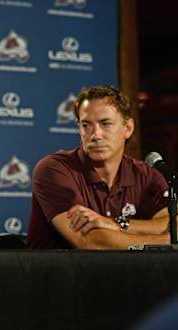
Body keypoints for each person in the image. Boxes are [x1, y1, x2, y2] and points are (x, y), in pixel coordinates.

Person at [27, 85, 170, 249]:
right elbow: (91, 241)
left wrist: (115, 224)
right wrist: (167, 242)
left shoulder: (146, 174)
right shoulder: (54, 169)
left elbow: (172, 224)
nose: (95, 135)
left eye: (105, 123)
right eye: (86, 125)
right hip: (60, 274)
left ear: (128, 128)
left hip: (124, 274)